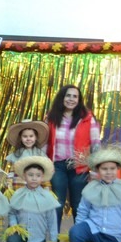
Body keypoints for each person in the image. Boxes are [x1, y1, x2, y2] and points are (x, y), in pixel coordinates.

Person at [46, 85, 101, 231]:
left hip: (79, 166)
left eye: (75, 96)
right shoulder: (52, 118)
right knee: (56, 203)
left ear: (79, 100)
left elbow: (96, 145)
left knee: (78, 204)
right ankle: (54, 239)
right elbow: (45, 143)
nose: (71, 99)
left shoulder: (88, 119)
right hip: (57, 166)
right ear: (62, 98)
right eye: (68, 95)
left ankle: (79, 240)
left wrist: (96, 170)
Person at [68, 146, 121, 242]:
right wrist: (77, 229)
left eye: (112, 168)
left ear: (117, 169)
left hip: (113, 235)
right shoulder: (91, 188)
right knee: (75, 232)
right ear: (98, 170)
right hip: (93, 228)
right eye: (104, 169)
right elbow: (83, 210)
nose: (108, 172)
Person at [6, 156, 59, 242]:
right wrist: (14, 226)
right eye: (30, 175)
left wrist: (53, 239)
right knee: (12, 240)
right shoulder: (18, 194)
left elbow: (52, 219)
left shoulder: (47, 196)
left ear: (42, 177)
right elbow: (12, 212)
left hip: (37, 236)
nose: (34, 178)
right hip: (21, 232)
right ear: (24, 176)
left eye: (38, 175)